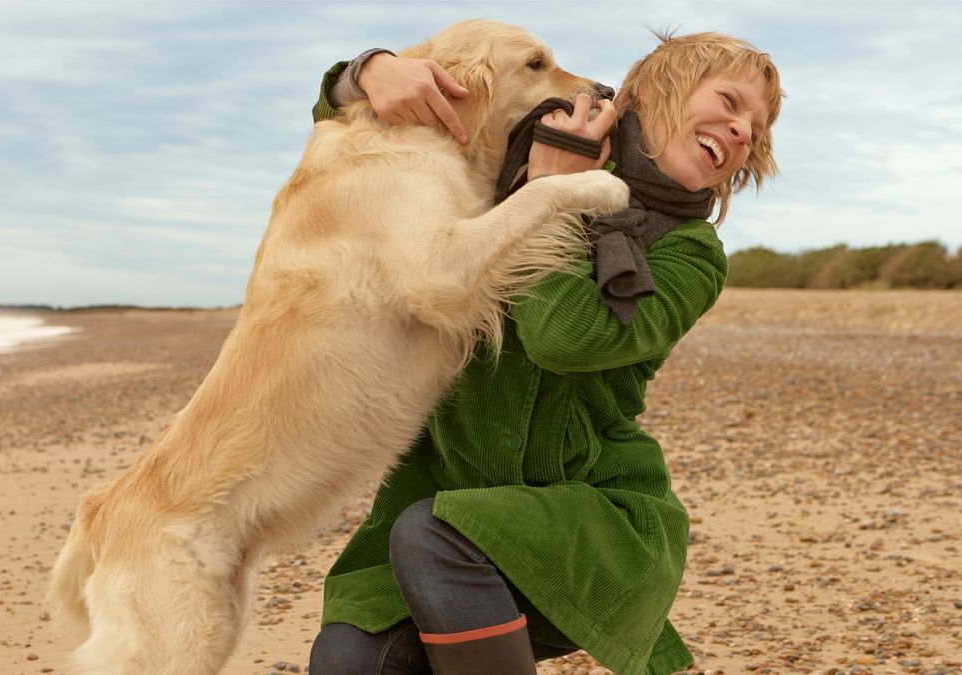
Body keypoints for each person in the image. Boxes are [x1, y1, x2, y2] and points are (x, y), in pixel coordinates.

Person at [306, 29, 782, 675]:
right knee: (349, 660)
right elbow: (362, 124)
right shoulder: (529, 138)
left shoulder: (692, 252)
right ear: (652, 91)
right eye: (729, 100)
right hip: (446, 485)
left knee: (435, 533)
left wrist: (550, 198)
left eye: (755, 126)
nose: (741, 129)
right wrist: (367, 71)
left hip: (589, 515)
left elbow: (568, 338)